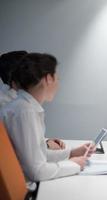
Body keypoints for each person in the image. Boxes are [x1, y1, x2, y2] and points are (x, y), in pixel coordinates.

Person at [0, 53, 95, 190]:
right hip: (28, 189)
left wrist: (71, 153)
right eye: (57, 78)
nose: (58, 83)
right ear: (48, 78)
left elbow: (37, 154)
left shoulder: (24, 106)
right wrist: (73, 164)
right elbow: (37, 171)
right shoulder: (25, 111)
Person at [0, 51, 64, 150]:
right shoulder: (17, 107)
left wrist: (45, 143)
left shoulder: (17, 100)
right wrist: (46, 146)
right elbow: (22, 150)